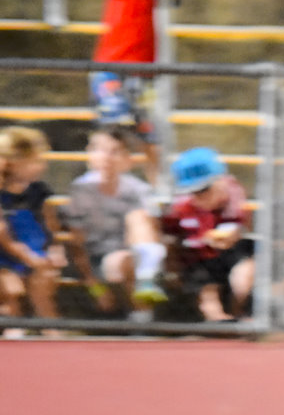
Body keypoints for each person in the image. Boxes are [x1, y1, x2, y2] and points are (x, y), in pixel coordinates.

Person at [90, 0, 194, 188]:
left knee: (152, 135)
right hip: (112, 71)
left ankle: (160, 189)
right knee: (111, 132)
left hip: (143, 75)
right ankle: (103, 185)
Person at [62, 126, 168, 315]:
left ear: (127, 160)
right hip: (97, 260)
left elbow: (153, 230)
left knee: (138, 220)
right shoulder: (81, 191)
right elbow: (77, 245)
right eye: (99, 150)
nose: (106, 158)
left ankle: (146, 283)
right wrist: (94, 286)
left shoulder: (138, 190)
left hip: (131, 255)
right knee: (117, 262)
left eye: (115, 152)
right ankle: (140, 310)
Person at [160, 147, 255, 322]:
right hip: (198, 261)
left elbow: (236, 229)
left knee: (244, 273)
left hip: (229, 256)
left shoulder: (233, 195)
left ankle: (240, 313)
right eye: (194, 192)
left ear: (222, 180)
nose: (199, 197)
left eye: (205, 189)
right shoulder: (181, 207)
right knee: (206, 287)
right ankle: (217, 318)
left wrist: (230, 235)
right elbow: (169, 235)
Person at [0, 127, 65, 327]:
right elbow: (3, 234)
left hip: (35, 252)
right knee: (11, 290)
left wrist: (54, 250)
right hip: (6, 254)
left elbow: (50, 225)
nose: (43, 166)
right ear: (14, 162)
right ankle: (13, 332)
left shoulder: (38, 191)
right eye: (36, 161)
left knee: (43, 282)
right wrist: (27, 257)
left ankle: (52, 332)